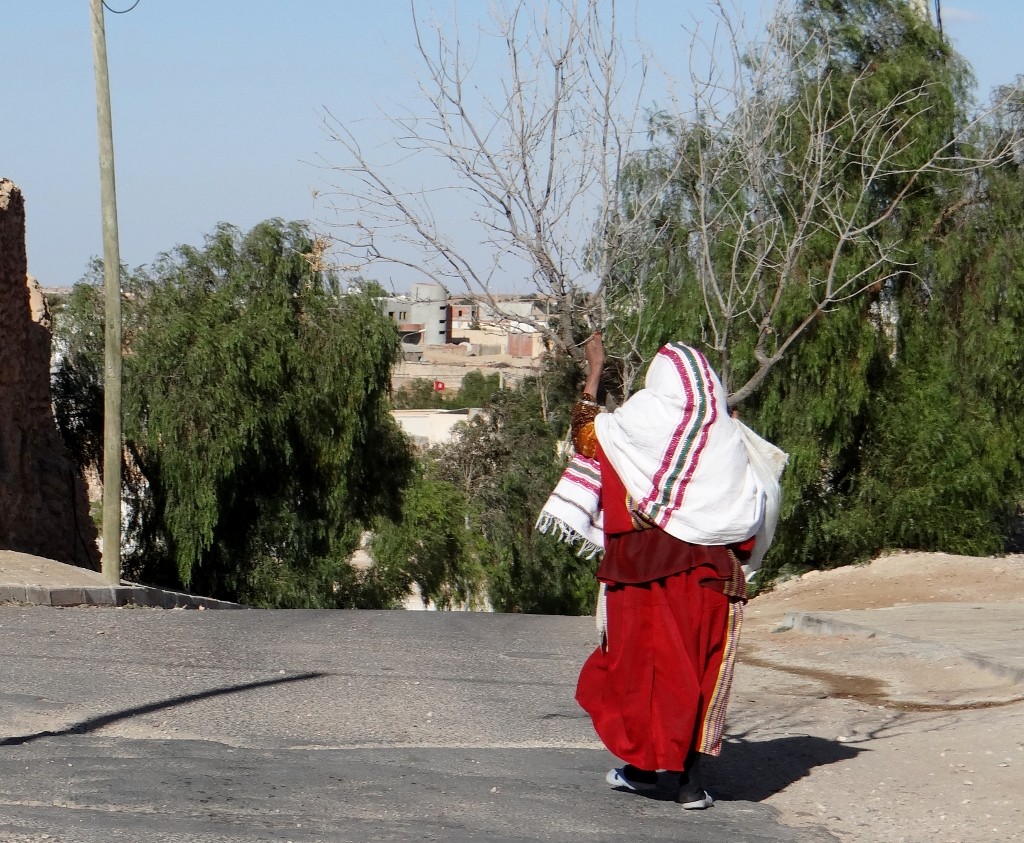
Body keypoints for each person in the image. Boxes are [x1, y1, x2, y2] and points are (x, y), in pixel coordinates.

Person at [537, 332, 782, 809]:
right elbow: (751, 509)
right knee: (694, 673)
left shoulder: (639, 421)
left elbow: (587, 436)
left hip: (646, 571)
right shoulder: (725, 431)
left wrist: (594, 371)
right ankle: (681, 780)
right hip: (714, 578)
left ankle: (657, 772)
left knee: (641, 675)